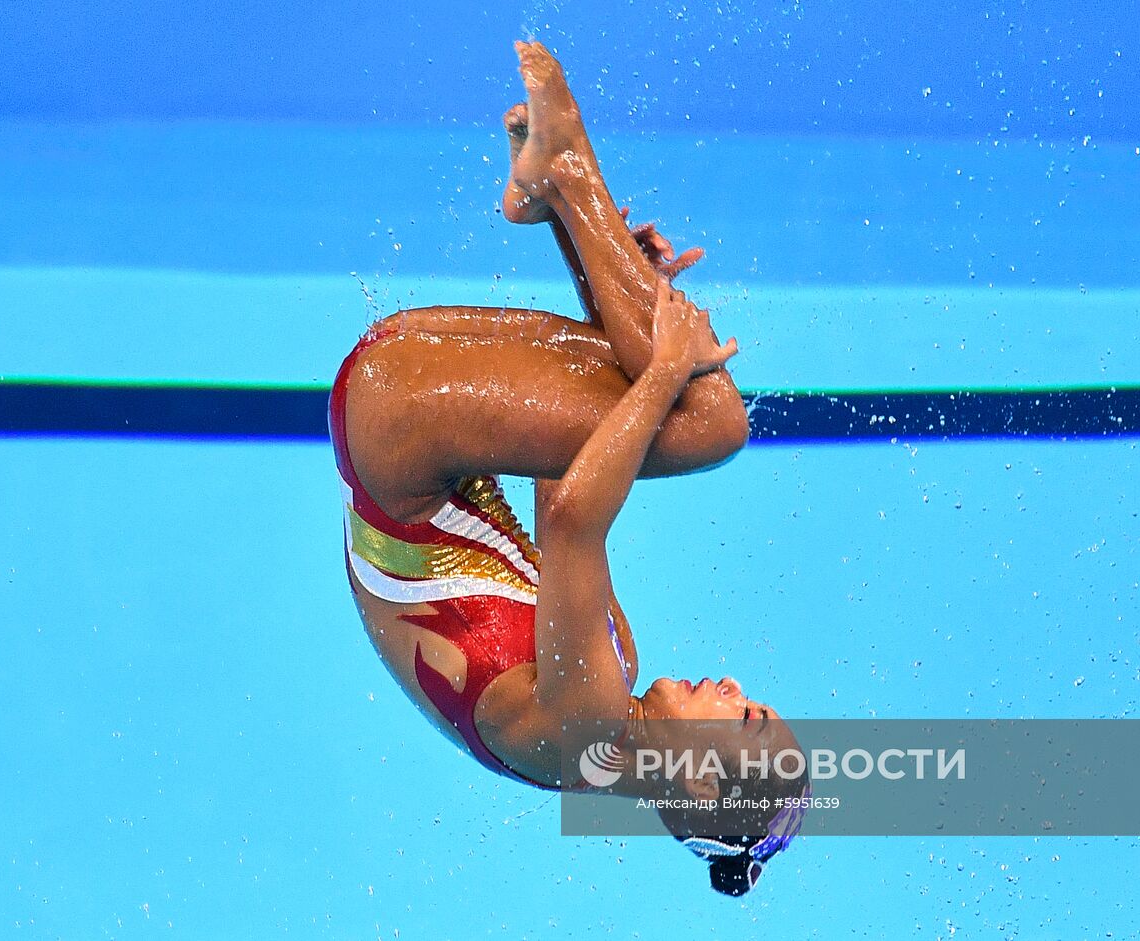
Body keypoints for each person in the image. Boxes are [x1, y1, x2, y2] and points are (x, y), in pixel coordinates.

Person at [332, 41, 807, 896]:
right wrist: (611, 286)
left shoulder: (585, 730)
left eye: (745, 716)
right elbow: (562, 481)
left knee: (709, 420)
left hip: (402, 433)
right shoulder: (608, 696)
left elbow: (579, 517)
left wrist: (661, 366)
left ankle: (565, 170)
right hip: (403, 424)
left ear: (699, 783)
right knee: (662, 387)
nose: (735, 684)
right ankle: (553, 200)